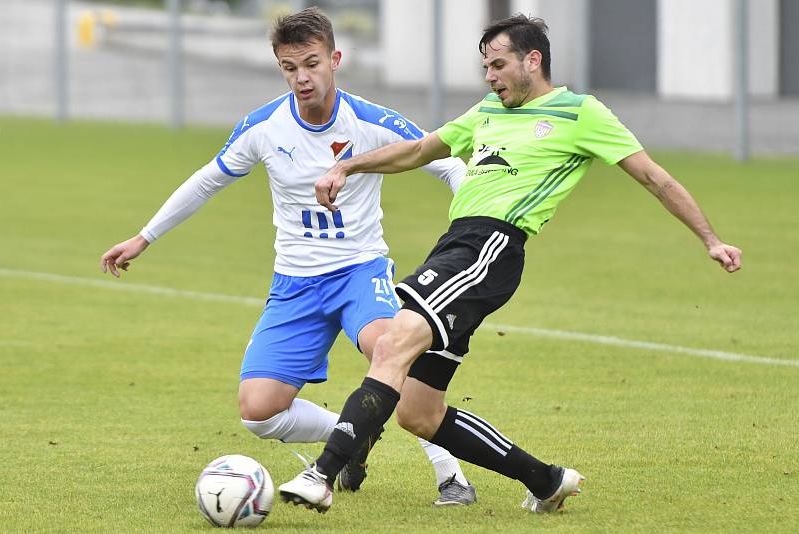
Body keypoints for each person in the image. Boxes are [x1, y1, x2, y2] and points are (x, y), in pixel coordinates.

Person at [278, 14, 743, 514]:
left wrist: (711, 239)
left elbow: (655, 178)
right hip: (455, 247)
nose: (490, 76)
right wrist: (347, 164)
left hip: (490, 249)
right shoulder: (486, 111)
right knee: (418, 412)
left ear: (533, 60)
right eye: (486, 67)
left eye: (498, 65)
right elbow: (416, 151)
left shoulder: (580, 112)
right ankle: (546, 480)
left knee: (392, 344)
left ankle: (322, 475)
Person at [99, 7, 478, 506]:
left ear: (335, 59)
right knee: (258, 411)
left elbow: (449, 164)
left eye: (311, 63)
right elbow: (208, 178)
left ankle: (451, 476)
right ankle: (352, 435)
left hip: (360, 272)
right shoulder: (265, 127)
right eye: (289, 67)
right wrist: (144, 237)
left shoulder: (370, 120)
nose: (301, 77)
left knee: (389, 351)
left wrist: (470, 227)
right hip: (295, 283)